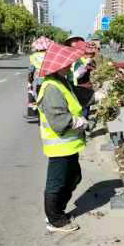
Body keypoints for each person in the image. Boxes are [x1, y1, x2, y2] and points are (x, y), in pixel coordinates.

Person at [36, 42, 89, 233]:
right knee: (57, 183)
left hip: (69, 145)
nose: (69, 66)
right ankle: (55, 219)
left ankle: (56, 210)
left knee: (74, 177)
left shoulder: (61, 81)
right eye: (66, 64)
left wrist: (96, 96)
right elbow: (60, 121)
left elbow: (77, 98)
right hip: (60, 146)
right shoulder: (51, 87)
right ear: (58, 66)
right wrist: (82, 123)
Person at [27, 36, 52, 118]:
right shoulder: (50, 55)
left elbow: (31, 70)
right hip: (50, 80)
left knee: (38, 97)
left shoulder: (34, 56)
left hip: (38, 81)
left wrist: (29, 81)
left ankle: (39, 113)